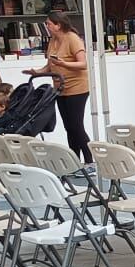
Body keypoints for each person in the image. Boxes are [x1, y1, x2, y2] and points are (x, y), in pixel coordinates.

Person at [36, 8, 90, 160]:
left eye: (48, 24)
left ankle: (89, 159)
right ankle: (75, 159)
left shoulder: (72, 38)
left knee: (76, 125)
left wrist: (64, 64)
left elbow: (82, 64)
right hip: (60, 88)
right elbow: (50, 65)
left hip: (77, 88)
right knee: (68, 127)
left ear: (58, 25)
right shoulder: (53, 40)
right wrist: (37, 72)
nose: (47, 26)